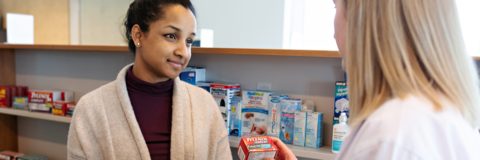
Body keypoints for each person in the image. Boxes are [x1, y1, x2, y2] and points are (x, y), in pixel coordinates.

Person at [67, 0, 232, 159]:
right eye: (171, 36)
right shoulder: (90, 109)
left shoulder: (205, 104)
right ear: (138, 35)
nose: (184, 52)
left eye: (189, 41)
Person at [332, 0, 480, 159]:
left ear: (361, 18)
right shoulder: (448, 112)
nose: (333, 34)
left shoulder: (389, 136)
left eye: (335, 6)